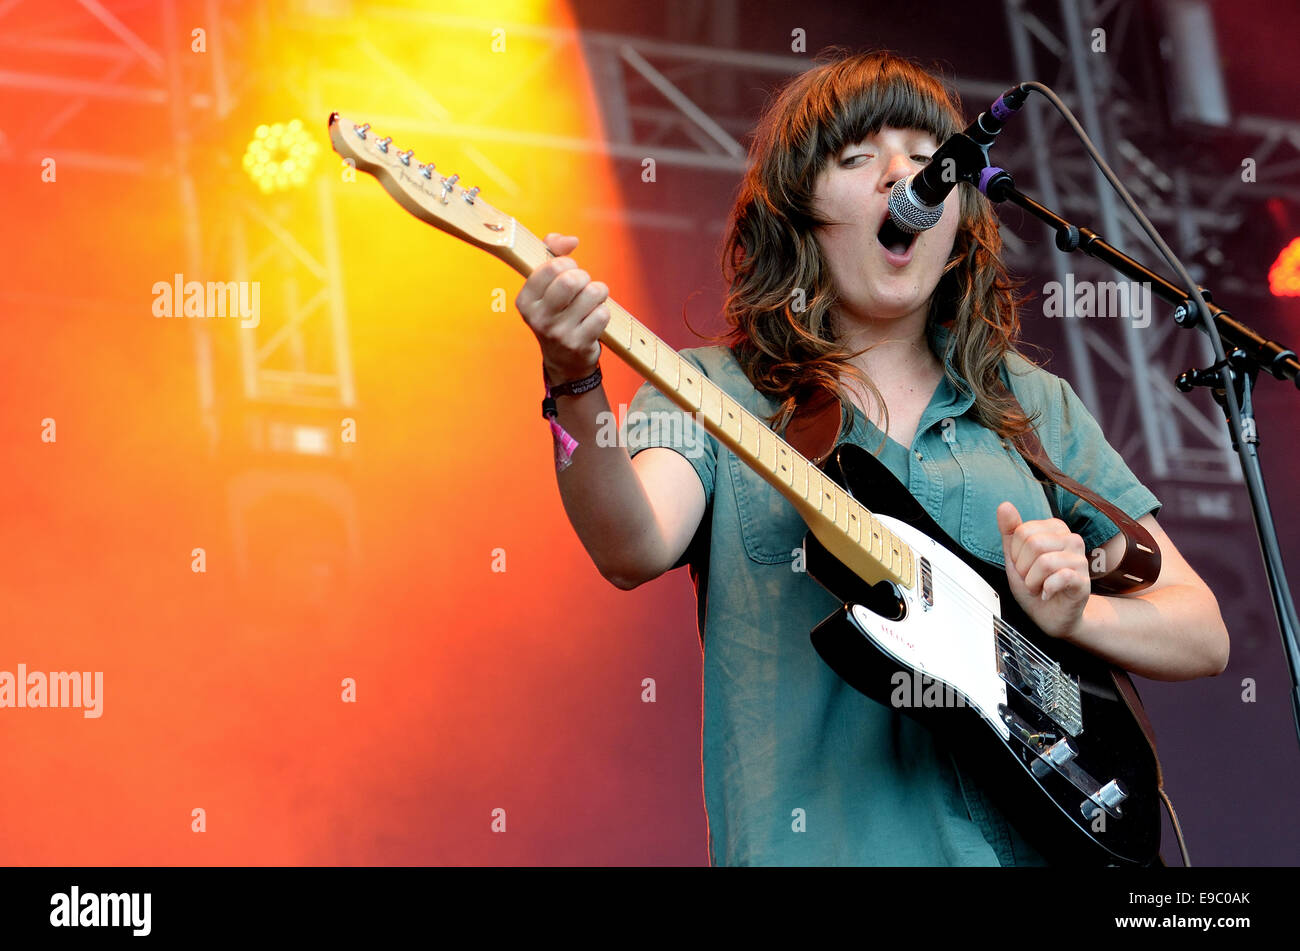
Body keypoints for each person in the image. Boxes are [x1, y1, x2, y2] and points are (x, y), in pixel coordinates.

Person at [514, 49, 1229, 866]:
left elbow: (1201, 631)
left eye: (929, 163)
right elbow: (630, 544)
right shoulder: (711, 389)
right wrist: (573, 377)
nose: (903, 178)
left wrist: (1078, 616)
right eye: (859, 159)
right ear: (798, 214)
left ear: (958, 217)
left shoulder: (1031, 405)